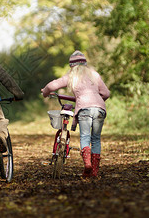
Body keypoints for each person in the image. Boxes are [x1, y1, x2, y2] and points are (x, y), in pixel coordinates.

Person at [41, 50, 110, 178]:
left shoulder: (72, 76)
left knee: (85, 137)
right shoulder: (94, 75)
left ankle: (87, 165)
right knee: (95, 139)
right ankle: (94, 171)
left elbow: (52, 86)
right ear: (85, 64)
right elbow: (106, 93)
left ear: (71, 66)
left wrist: (45, 92)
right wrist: (96, 100)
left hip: (84, 109)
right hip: (100, 109)